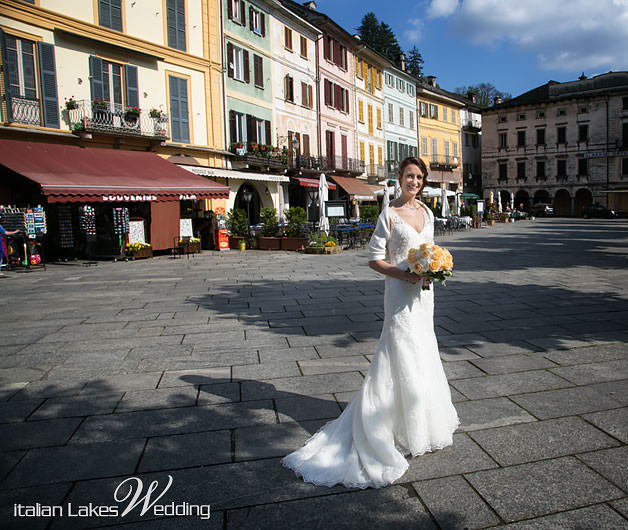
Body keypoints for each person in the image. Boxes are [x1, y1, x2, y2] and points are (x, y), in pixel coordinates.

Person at [281, 157, 459, 488]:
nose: (414, 182)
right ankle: (386, 424)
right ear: (399, 178)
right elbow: (374, 259)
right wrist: (403, 273)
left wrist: (434, 269)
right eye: (409, 176)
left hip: (425, 294)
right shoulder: (389, 214)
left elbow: (429, 249)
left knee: (423, 352)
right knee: (400, 352)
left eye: (419, 177)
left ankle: (420, 425)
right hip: (399, 293)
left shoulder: (428, 212)